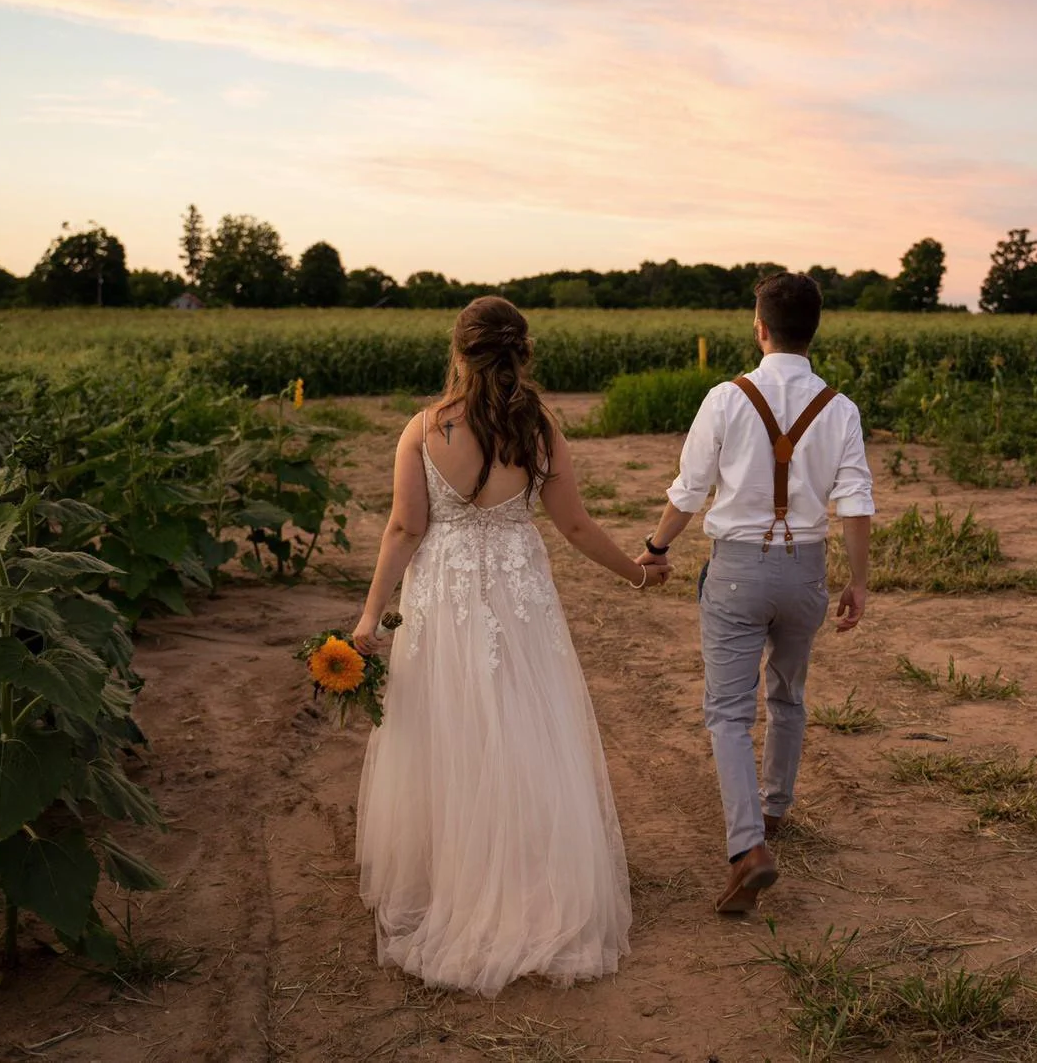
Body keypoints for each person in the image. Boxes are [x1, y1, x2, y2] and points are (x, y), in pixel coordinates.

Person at [349, 296, 668, 996]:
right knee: (526, 726)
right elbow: (577, 527)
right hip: (519, 598)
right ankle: (529, 883)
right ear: (522, 352)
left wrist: (371, 617)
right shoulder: (539, 425)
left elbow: (404, 529)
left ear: (459, 352)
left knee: (448, 730)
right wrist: (637, 574)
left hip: (446, 598)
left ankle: (453, 883)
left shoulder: (423, 429)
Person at [637, 272, 874, 914]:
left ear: (760, 327)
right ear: (812, 330)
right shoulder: (841, 408)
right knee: (789, 694)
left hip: (739, 569)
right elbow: (855, 501)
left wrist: (657, 550)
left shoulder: (726, 397)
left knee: (729, 713)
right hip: (805, 571)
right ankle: (774, 811)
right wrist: (857, 580)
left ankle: (747, 849)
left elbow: (690, 489)